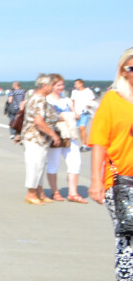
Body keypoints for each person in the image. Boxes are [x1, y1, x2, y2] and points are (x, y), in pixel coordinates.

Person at [88, 48, 133, 281]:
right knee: (129, 241)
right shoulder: (113, 100)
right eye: (131, 68)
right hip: (121, 182)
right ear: (122, 71)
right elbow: (99, 142)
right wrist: (95, 181)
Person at [21, 74, 62, 205]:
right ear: (44, 86)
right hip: (35, 138)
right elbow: (39, 121)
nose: (52, 88)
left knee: (40, 166)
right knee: (34, 165)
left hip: (40, 139)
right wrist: (53, 134)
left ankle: (39, 191)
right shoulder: (38, 99)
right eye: (51, 85)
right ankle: (31, 193)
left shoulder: (40, 99)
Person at [44, 75, 85, 203]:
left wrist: (73, 115)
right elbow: (48, 117)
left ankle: (73, 192)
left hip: (69, 135)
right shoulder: (47, 100)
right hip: (55, 135)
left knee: (75, 162)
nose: (61, 87)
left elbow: (75, 114)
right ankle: (55, 191)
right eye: (58, 85)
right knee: (53, 164)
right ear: (51, 86)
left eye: (62, 85)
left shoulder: (66, 100)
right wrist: (65, 116)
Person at [71, 79, 97, 151]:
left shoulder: (88, 91)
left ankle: (84, 145)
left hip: (85, 112)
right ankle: (83, 143)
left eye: (76, 84)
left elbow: (93, 100)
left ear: (81, 84)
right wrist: (74, 112)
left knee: (82, 127)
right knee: (79, 129)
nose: (75, 85)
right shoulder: (74, 92)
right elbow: (72, 102)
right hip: (77, 112)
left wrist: (89, 106)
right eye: (75, 84)